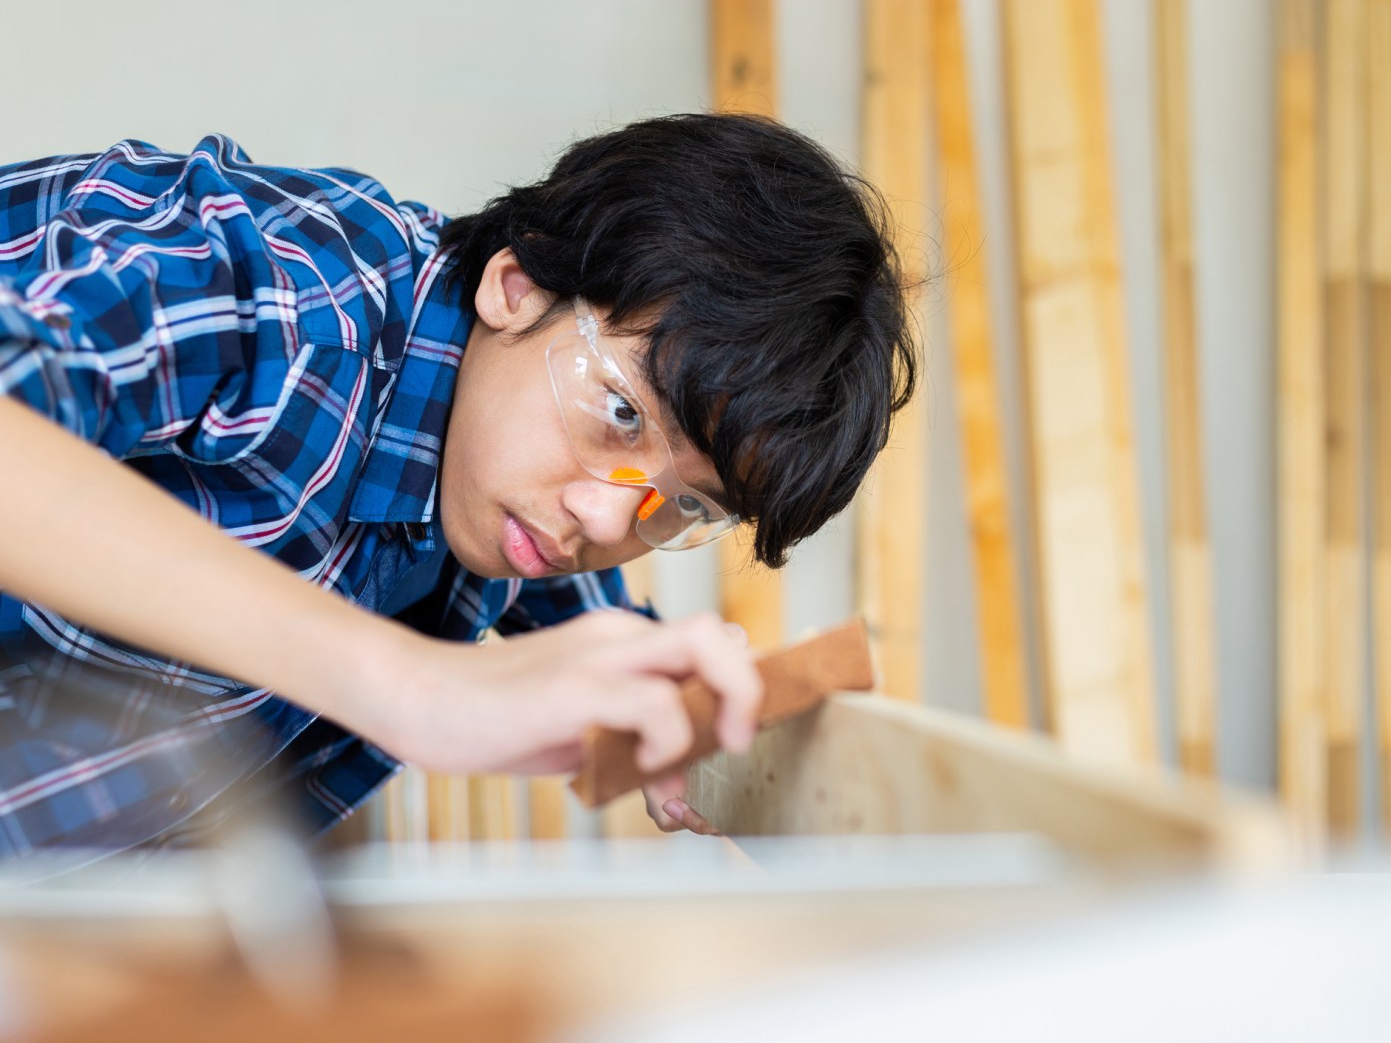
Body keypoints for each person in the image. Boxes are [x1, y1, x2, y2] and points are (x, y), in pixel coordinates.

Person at [0, 114, 917, 858]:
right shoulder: (292, 300)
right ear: (515, 286)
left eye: (681, 504)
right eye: (623, 416)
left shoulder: (506, 483)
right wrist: (413, 685)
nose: (602, 515)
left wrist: (679, 700)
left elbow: (596, 635)